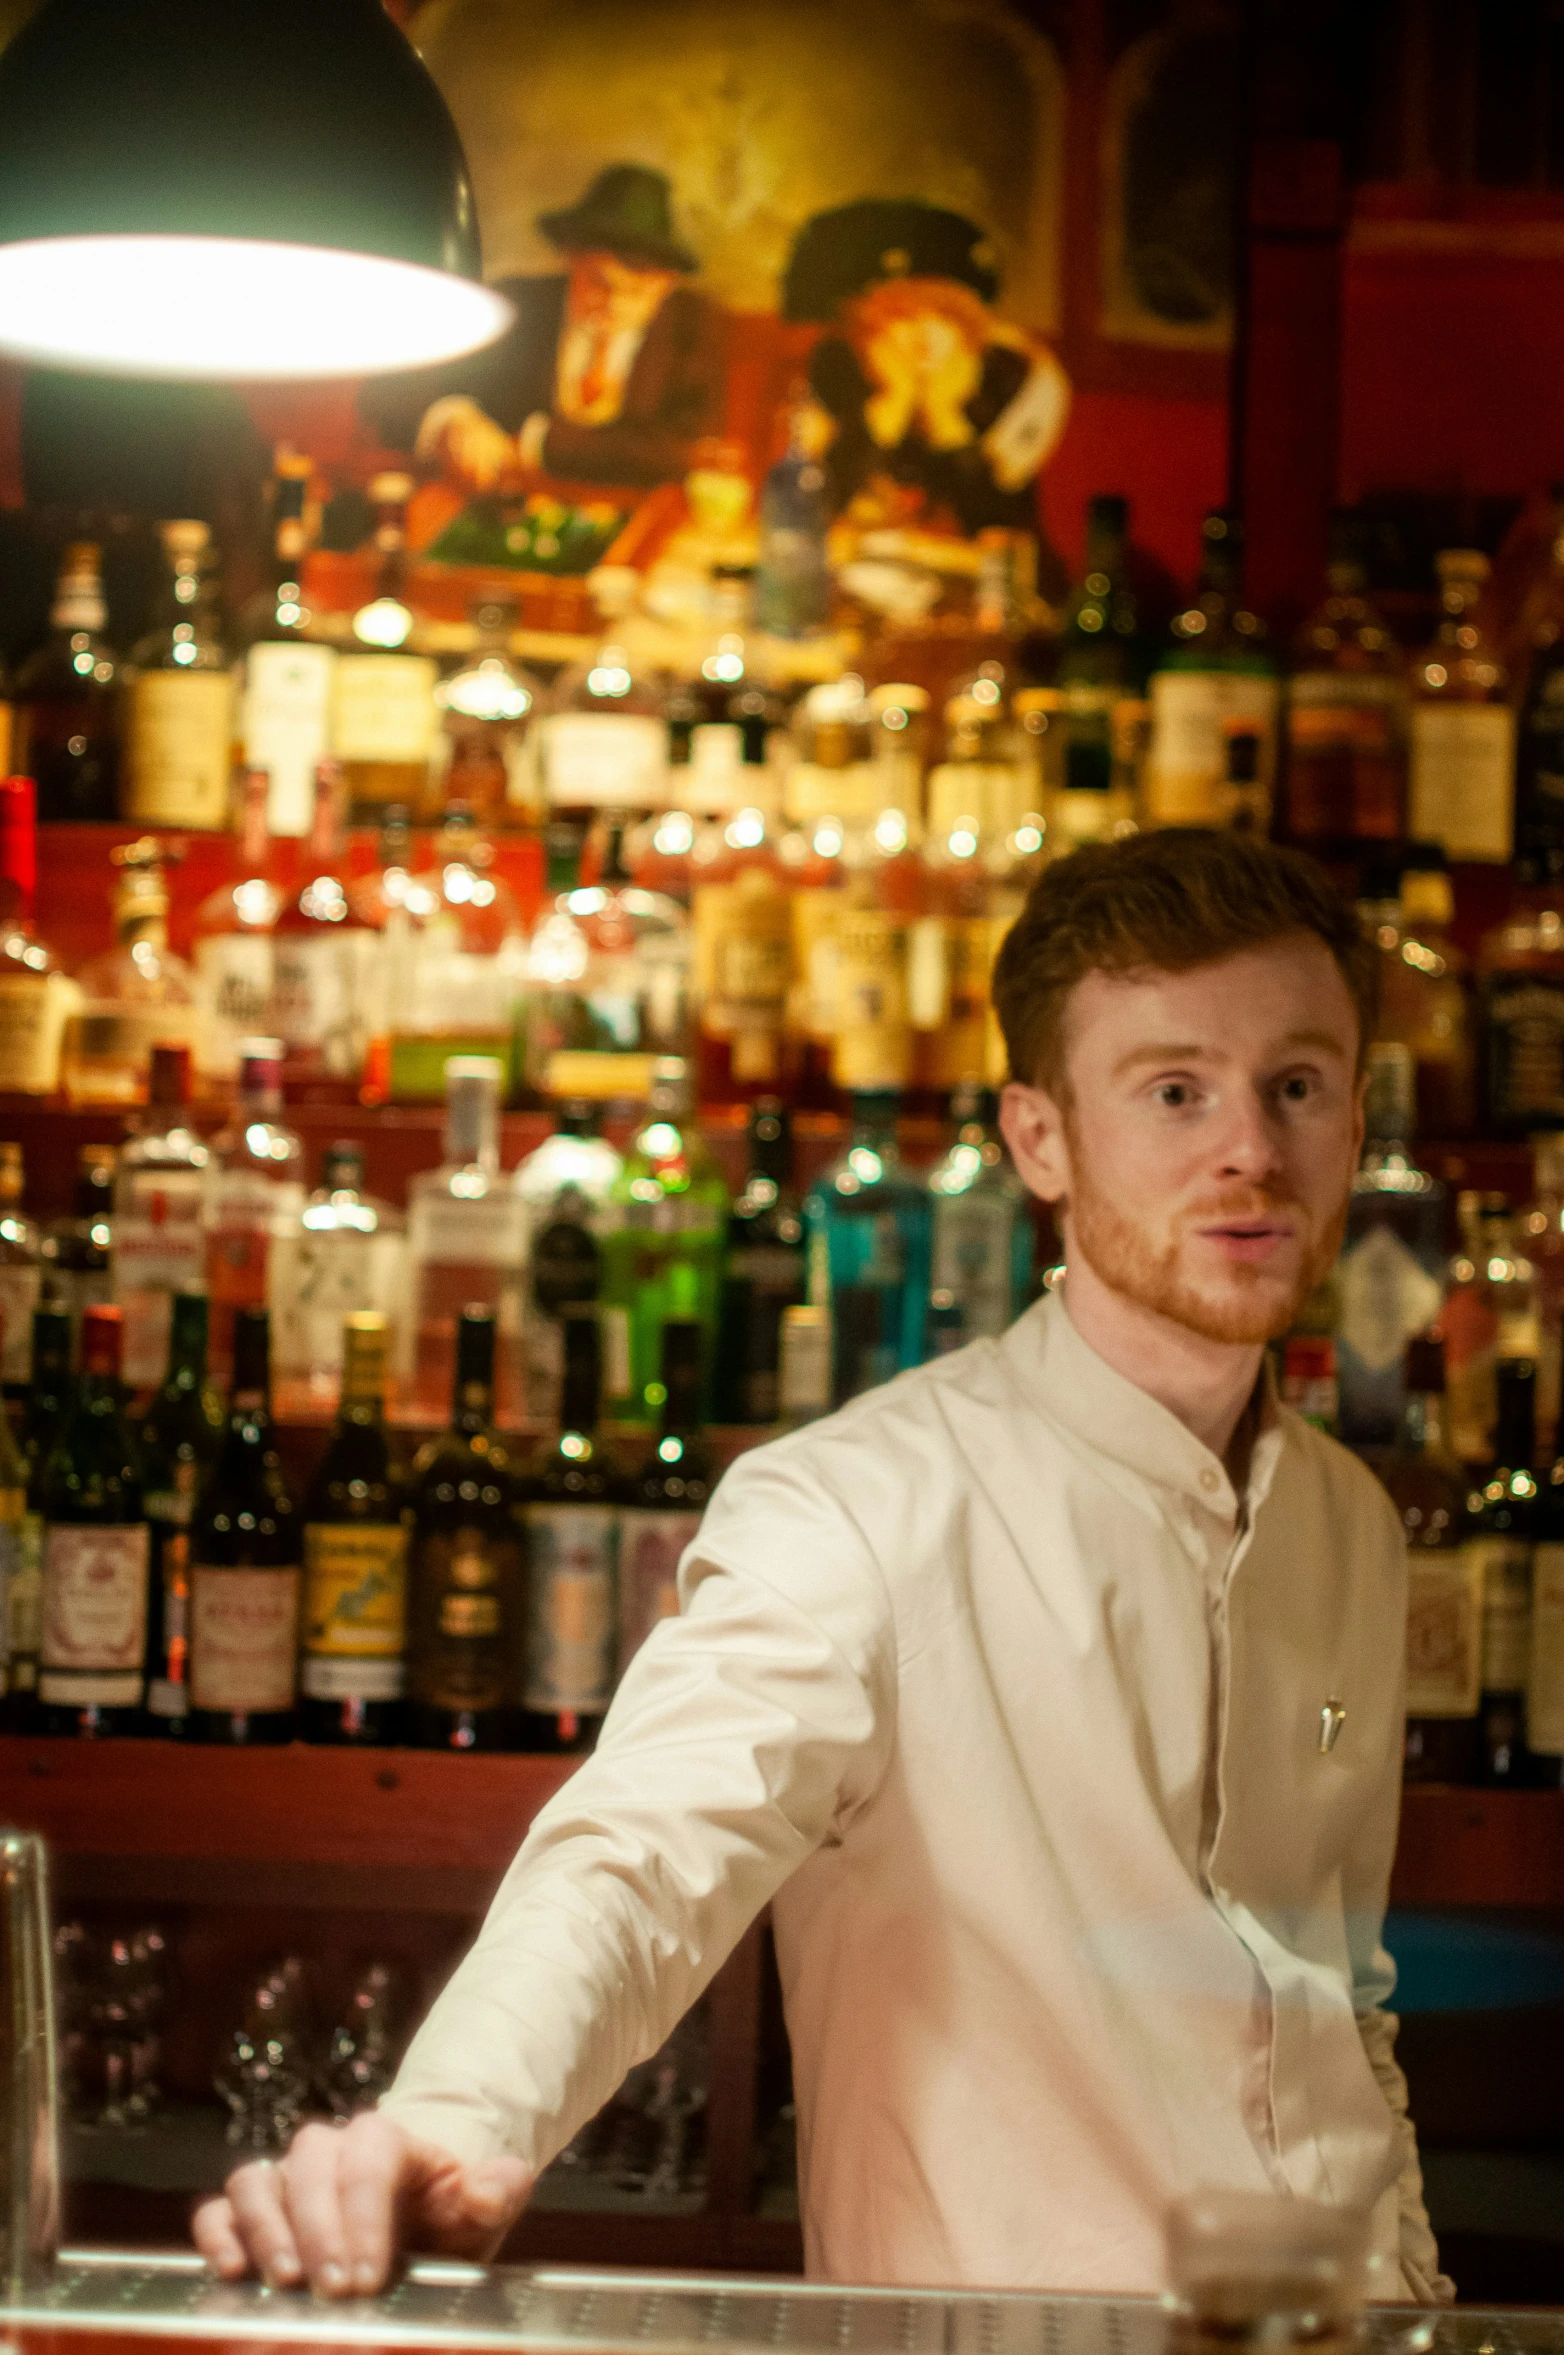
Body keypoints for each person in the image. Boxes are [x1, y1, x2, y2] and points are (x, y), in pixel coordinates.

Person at [194, 829, 1451, 2307]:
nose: (1247, 1144)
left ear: (1356, 1113)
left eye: (1295, 1085)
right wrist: (455, 2118)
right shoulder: (856, 1506)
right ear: (1039, 1138)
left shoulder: (1352, 1529)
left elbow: (1339, 2002)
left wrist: (1416, 2287)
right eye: (1173, 1090)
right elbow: (642, 1856)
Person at [361, 164, 723, 492]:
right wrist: (450, 420)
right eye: (600, 282)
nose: (617, 303)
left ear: (668, 282)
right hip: (501, 505)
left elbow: (682, 452)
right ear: (571, 257)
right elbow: (387, 391)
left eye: (640, 288)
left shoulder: (692, 327)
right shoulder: (517, 305)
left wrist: (537, 442)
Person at [782, 198, 1071, 540]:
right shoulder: (838, 369)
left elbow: (1002, 529)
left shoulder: (1007, 379)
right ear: (868, 327)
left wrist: (945, 419)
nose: (925, 333)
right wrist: (887, 406)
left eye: (944, 317)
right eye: (903, 316)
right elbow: (817, 511)